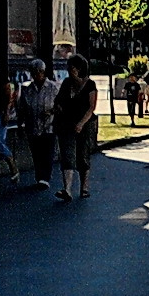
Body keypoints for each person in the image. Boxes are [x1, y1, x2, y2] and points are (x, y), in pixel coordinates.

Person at [53, 53, 98, 201]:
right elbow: (59, 100)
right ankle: (67, 189)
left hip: (85, 124)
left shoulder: (90, 85)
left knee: (83, 156)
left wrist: (81, 123)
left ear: (80, 68)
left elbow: (91, 107)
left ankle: (84, 187)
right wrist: (58, 107)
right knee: (67, 155)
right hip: (66, 123)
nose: (70, 70)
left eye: (73, 67)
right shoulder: (66, 83)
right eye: (69, 67)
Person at [17, 59, 59, 189]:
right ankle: (39, 176)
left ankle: (45, 178)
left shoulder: (53, 87)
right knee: (36, 153)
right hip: (33, 126)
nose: (36, 75)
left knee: (47, 152)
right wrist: (20, 125)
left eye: (38, 72)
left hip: (49, 126)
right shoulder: (28, 90)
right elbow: (22, 108)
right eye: (33, 73)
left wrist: (52, 111)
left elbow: (62, 105)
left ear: (43, 72)